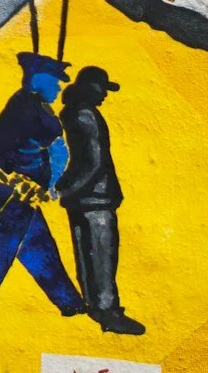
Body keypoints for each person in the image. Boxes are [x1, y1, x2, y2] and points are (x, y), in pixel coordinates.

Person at [0, 51, 88, 360]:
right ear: (38, 80)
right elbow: (60, 151)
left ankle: (71, 304)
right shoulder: (32, 110)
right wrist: (53, 185)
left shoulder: (25, 105)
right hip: (9, 201)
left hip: (12, 197)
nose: (59, 88)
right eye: (55, 81)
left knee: (39, 250)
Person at [59, 64, 145, 336]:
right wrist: (69, 188)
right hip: (95, 197)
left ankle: (96, 309)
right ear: (89, 87)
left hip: (82, 198)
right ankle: (108, 313)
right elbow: (94, 161)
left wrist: (67, 188)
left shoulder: (73, 112)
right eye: (101, 88)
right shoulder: (86, 114)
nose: (104, 94)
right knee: (101, 257)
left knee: (87, 256)